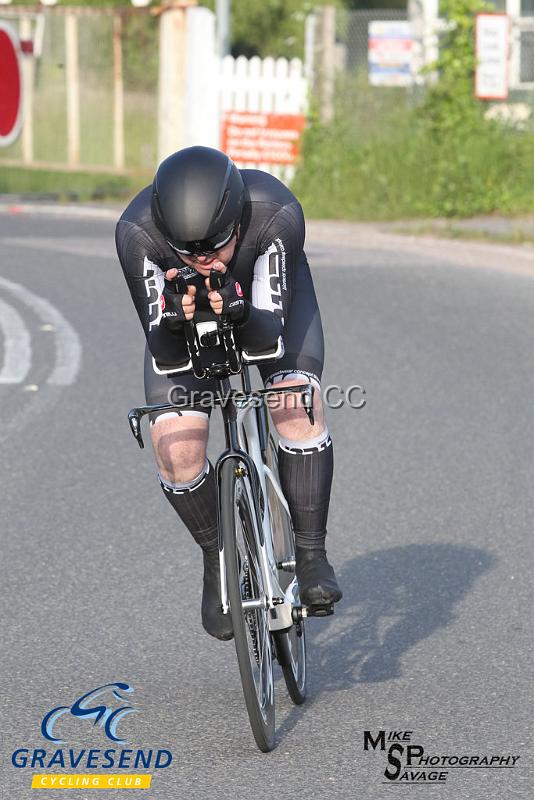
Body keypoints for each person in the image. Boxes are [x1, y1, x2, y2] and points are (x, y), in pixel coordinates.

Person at [116, 146, 342, 641]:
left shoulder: (273, 211)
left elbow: (268, 339)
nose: (202, 260)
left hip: (265, 304)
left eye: (215, 247)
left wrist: (238, 309)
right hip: (188, 330)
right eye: (187, 253)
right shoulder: (137, 235)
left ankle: (310, 553)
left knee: (293, 405)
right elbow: (168, 355)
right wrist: (177, 318)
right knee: (175, 445)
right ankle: (217, 555)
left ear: (237, 222)